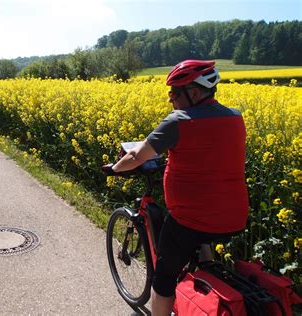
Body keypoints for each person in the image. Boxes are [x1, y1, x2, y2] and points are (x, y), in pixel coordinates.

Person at [102, 60, 248, 316]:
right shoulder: (235, 118)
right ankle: (205, 273)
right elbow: (211, 152)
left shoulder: (178, 122)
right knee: (202, 234)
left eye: (174, 93)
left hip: (191, 219)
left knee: (163, 279)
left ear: (194, 93)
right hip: (235, 216)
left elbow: (136, 156)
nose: (170, 100)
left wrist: (115, 168)